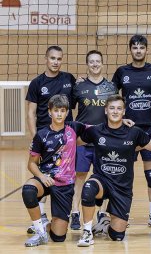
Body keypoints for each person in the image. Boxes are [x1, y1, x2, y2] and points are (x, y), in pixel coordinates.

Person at [77, 94, 151, 247]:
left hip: (122, 188)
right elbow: (74, 142)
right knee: (88, 188)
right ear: (105, 110)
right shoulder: (96, 131)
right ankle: (87, 231)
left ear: (124, 112)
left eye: (119, 109)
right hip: (102, 180)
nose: (115, 112)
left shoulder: (135, 133)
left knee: (117, 236)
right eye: (112, 108)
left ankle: (105, 224)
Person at [112, 34, 151, 229]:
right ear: (130, 50)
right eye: (135, 47)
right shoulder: (122, 72)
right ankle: (121, 213)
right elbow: (112, 95)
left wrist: (150, 97)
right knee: (122, 174)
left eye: (141, 47)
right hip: (126, 129)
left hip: (150, 129)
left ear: (146, 50)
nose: (138, 50)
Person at [22, 95, 86, 247]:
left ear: (67, 113)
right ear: (49, 112)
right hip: (46, 178)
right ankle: (40, 233)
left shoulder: (75, 127)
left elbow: (100, 128)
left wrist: (120, 121)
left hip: (65, 183)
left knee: (58, 237)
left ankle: (50, 226)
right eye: (56, 110)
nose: (59, 114)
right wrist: (41, 176)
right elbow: (31, 164)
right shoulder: (41, 135)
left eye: (62, 111)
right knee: (28, 190)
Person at [26, 45, 76, 234]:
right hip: (44, 138)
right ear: (46, 59)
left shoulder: (69, 79)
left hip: (64, 139)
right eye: (52, 58)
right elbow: (30, 113)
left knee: (62, 174)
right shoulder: (37, 83)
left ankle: (66, 214)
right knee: (41, 174)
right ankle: (41, 215)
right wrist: (36, 139)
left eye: (59, 59)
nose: (56, 62)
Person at [70, 50, 118, 230]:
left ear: (103, 63)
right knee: (79, 176)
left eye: (98, 61)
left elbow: (116, 111)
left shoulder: (111, 87)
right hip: (83, 141)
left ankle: (102, 213)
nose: (95, 64)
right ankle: (75, 213)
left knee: (105, 176)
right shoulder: (78, 86)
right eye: (92, 61)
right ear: (87, 64)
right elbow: (69, 110)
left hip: (104, 141)